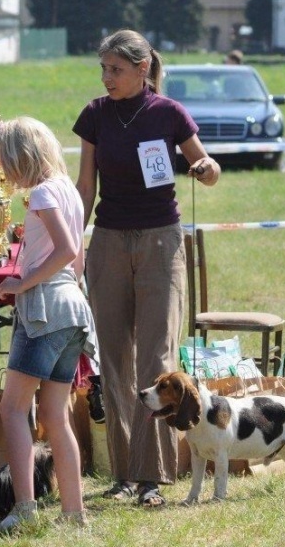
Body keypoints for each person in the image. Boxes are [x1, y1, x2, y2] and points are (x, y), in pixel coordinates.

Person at [72, 29, 220, 507]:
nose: (106, 78)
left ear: (142, 69)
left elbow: (208, 167)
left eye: (115, 69)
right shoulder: (94, 115)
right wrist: (73, 243)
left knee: (156, 359)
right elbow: (84, 186)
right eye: (103, 69)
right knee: (113, 361)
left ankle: (151, 478)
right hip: (108, 242)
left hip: (161, 243)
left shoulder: (170, 114)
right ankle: (121, 476)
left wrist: (204, 168)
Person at [0, 116, 97, 534]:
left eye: (6, 162)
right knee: (55, 414)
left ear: (21, 157)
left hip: (45, 307)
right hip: (73, 307)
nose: (6, 172)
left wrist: (21, 282)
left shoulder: (42, 193)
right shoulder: (68, 191)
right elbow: (77, 258)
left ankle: (24, 509)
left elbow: (66, 249)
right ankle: (74, 512)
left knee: (12, 409)